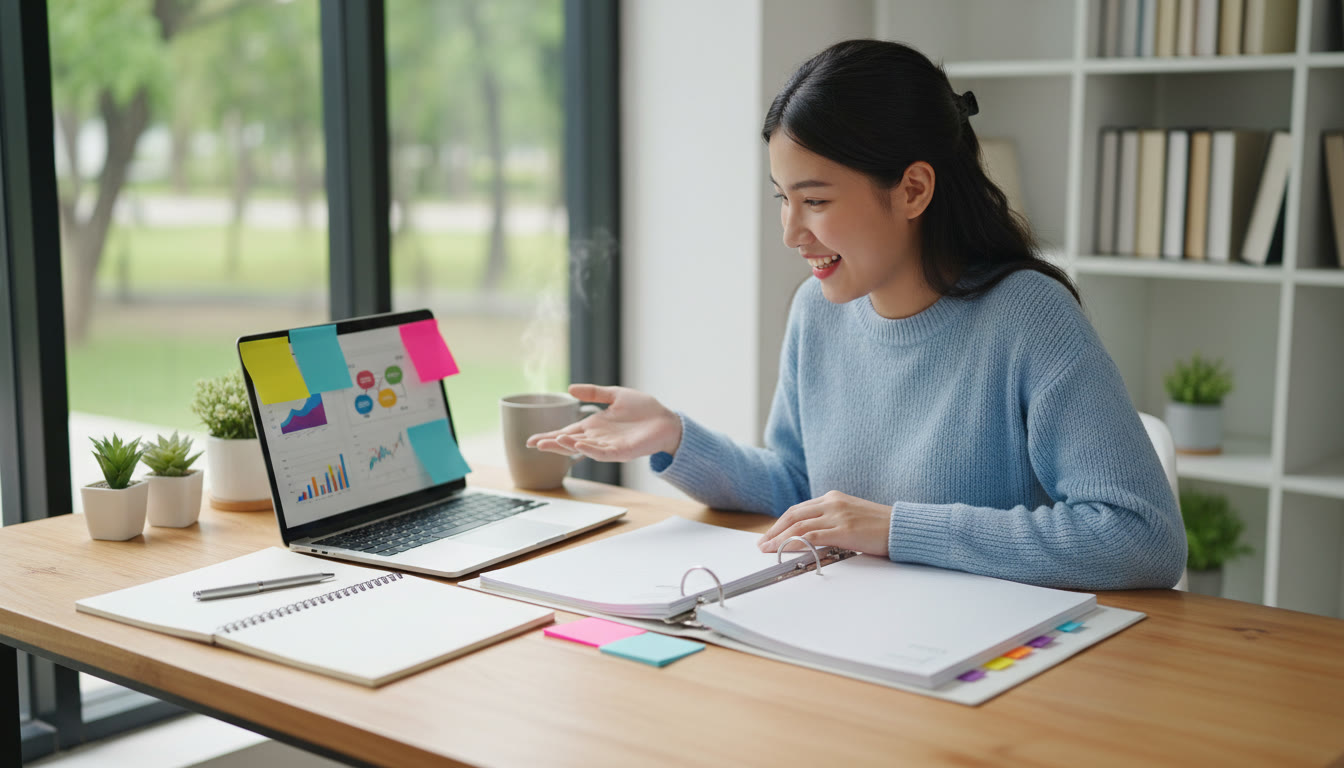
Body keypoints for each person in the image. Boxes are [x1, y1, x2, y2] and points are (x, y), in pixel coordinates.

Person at [527, 39, 1185, 590]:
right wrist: (675, 436)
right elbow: (799, 487)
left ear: (913, 189)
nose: (791, 232)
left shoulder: (1028, 318)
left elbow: (1141, 536)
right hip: (869, 646)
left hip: (995, 673)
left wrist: (896, 528)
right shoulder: (819, 311)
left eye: (814, 200)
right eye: (783, 198)